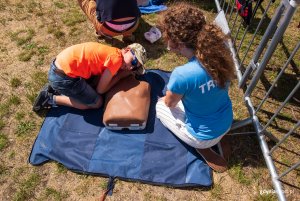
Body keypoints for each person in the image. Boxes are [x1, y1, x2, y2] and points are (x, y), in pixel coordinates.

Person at [156, 2, 235, 172]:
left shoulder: (182, 74)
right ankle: (219, 137)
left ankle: (203, 147)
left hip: (202, 136)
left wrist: (165, 99)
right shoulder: (220, 50)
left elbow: (169, 103)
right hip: (227, 120)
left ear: (176, 43)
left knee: (159, 107)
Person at [32, 42, 147, 112]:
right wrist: (119, 77)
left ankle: (55, 87)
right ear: (126, 50)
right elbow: (100, 90)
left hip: (58, 66)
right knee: (96, 103)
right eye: (133, 62)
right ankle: (49, 99)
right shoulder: (116, 60)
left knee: (94, 82)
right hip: (63, 78)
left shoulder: (113, 52)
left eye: (135, 68)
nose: (131, 68)